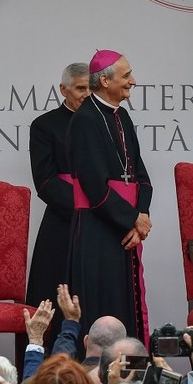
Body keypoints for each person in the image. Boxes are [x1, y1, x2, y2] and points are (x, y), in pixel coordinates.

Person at [66, 50, 153, 343]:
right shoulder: (85, 119)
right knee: (103, 306)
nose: (133, 81)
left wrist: (142, 217)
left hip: (125, 226)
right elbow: (95, 187)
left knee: (127, 304)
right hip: (98, 230)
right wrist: (133, 219)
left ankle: (130, 361)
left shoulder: (122, 116)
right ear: (104, 80)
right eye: (126, 75)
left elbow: (141, 175)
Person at [27, 62, 91, 347]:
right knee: (53, 293)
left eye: (91, 88)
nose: (87, 94)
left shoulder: (107, 123)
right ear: (63, 89)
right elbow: (45, 181)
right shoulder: (44, 125)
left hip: (102, 221)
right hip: (63, 222)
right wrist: (85, 208)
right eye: (80, 88)